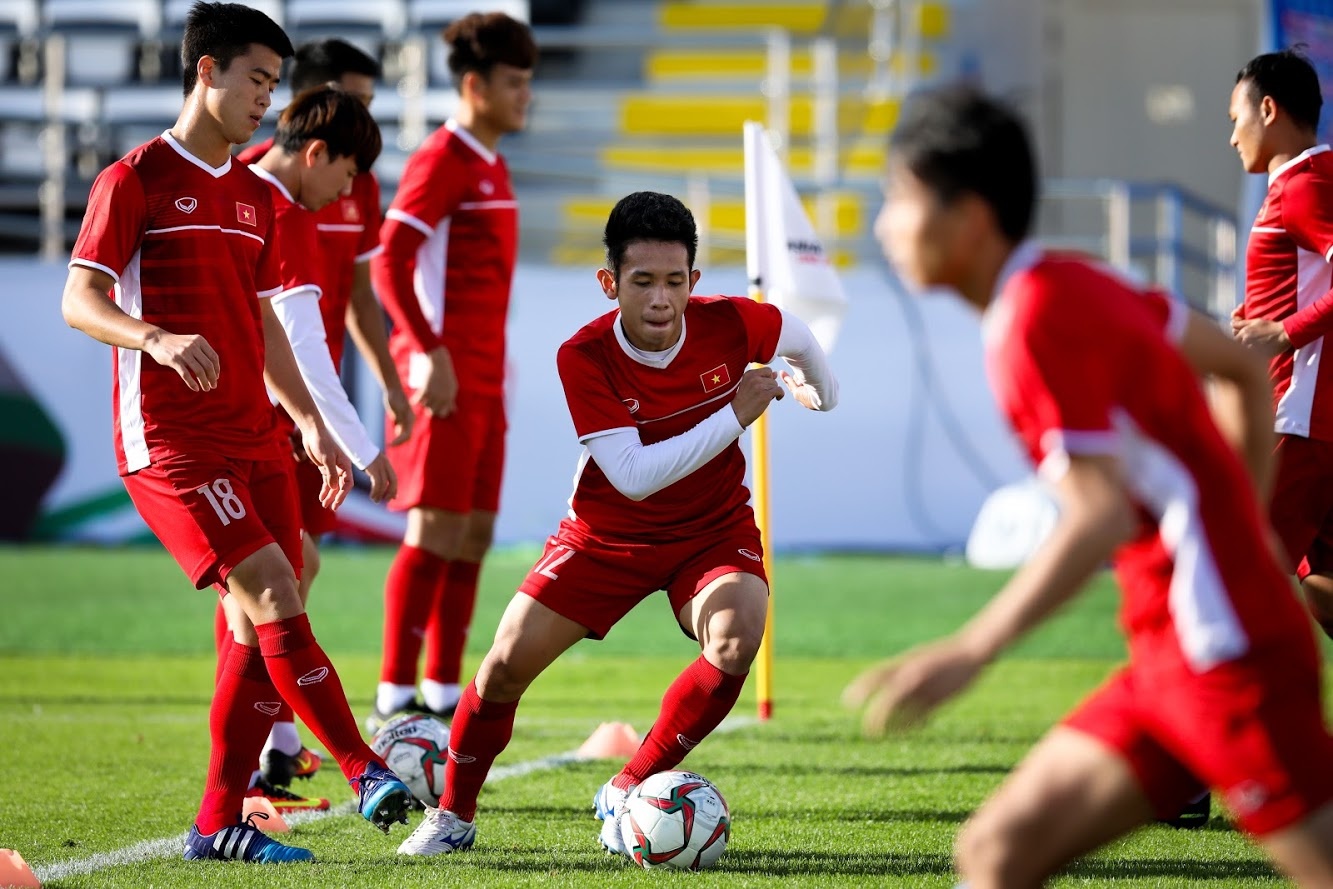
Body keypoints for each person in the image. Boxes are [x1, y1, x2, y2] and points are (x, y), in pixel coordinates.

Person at [844, 85, 1333, 888]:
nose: (883, 226)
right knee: (993, 853)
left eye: (898, 201)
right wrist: (1234, 531)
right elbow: (1242, 369)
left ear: (967, 220)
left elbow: (1097, 511)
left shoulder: (1028, 321)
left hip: (1225, 656)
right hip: (1168, 654)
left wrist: (973, 647)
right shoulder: (1075, 279)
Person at [59, 1, 411, 865]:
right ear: (206, 71)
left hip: (254, 435)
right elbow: (78, 298)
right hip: (172, 441)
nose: (267, 99)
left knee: (261, 617)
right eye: (256, 79)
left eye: (273, 83)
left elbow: (265, 333)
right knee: (272, 590)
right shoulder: (132, 179)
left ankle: (218, 824)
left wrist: (313, 427)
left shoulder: (257, 198)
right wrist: (155, 338)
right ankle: (365, 765)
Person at [395, 190, 840, 856]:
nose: (659, 299)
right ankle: (452, 814)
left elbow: (799, 334)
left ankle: (629, 783)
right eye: (641, 282)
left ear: (693, 280)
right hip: (605, 536)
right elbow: (633, 475)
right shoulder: (583, 355)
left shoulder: (732, 322)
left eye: (673, 281)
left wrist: (819, 390)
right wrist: (735, 414)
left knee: (737, 633)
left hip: (711, 531)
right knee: (501, 667)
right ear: (610, 284)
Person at [233, 40, 414, 796]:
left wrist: (339, 418)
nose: (351, 188)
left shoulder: (303, 202)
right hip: (226, 423)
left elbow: (308, 332)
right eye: (355, 108)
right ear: (314, 127)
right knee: (266, 584)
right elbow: (300, 341)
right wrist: (357, 442)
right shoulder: (245, 194)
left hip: (284, 411)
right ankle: (277, 761)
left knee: (284, 575)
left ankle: (265, 756)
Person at [368, 11, 536, 729]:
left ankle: (440, 697)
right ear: (473, 86)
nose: (525, 97)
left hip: (485, 376)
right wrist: (427, 349)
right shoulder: (441, 159)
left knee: (472, 534)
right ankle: (393, 699)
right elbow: (387, 261)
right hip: (439, 376)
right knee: (432, 532)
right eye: (514, 84)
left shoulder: (490, 162)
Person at [1228, 49, 1333, 641]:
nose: (1232, 137)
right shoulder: (1314, 180)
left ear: (1267, 110)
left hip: (1298, 424)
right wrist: (1260, 318)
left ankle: (1227, 731)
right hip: (1316, 424)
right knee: (1324, 594)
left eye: (1233, 119)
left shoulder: (1302, 187)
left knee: (1235, 585)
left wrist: (1283, 332)